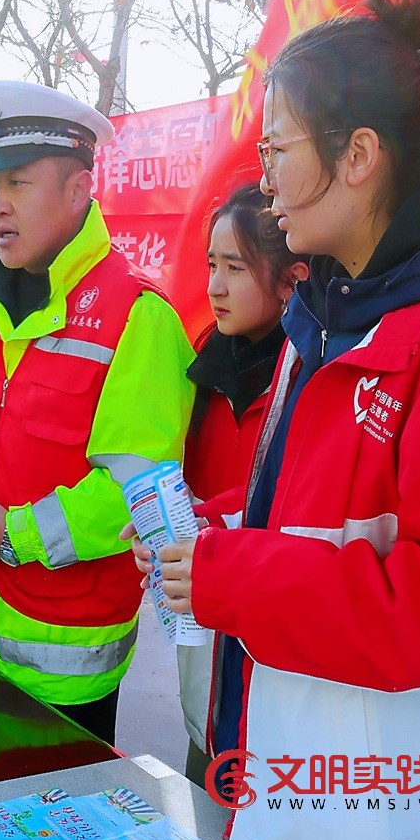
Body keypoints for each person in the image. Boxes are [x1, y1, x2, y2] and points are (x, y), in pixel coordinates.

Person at [130, 0, 420, 840]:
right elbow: (320, 509)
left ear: (359, 155)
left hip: (396, 835)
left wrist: (230, 575)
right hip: (302, 806)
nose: (264, 178)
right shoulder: (329, 317)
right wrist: (213, 528)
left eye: (278, 149)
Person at [0, 81, 195, 745]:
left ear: (78, 189)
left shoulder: (139, 318)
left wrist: (8, 535)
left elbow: (131, 494)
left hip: (64, 669)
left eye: (19, 184)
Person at [177, 182, 306, 786]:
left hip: (275, 651)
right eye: (210, 264)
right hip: (201, 639)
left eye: (236, 267)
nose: (215, 286)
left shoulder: (314, 374)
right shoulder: (202, 364)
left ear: (291, 279)